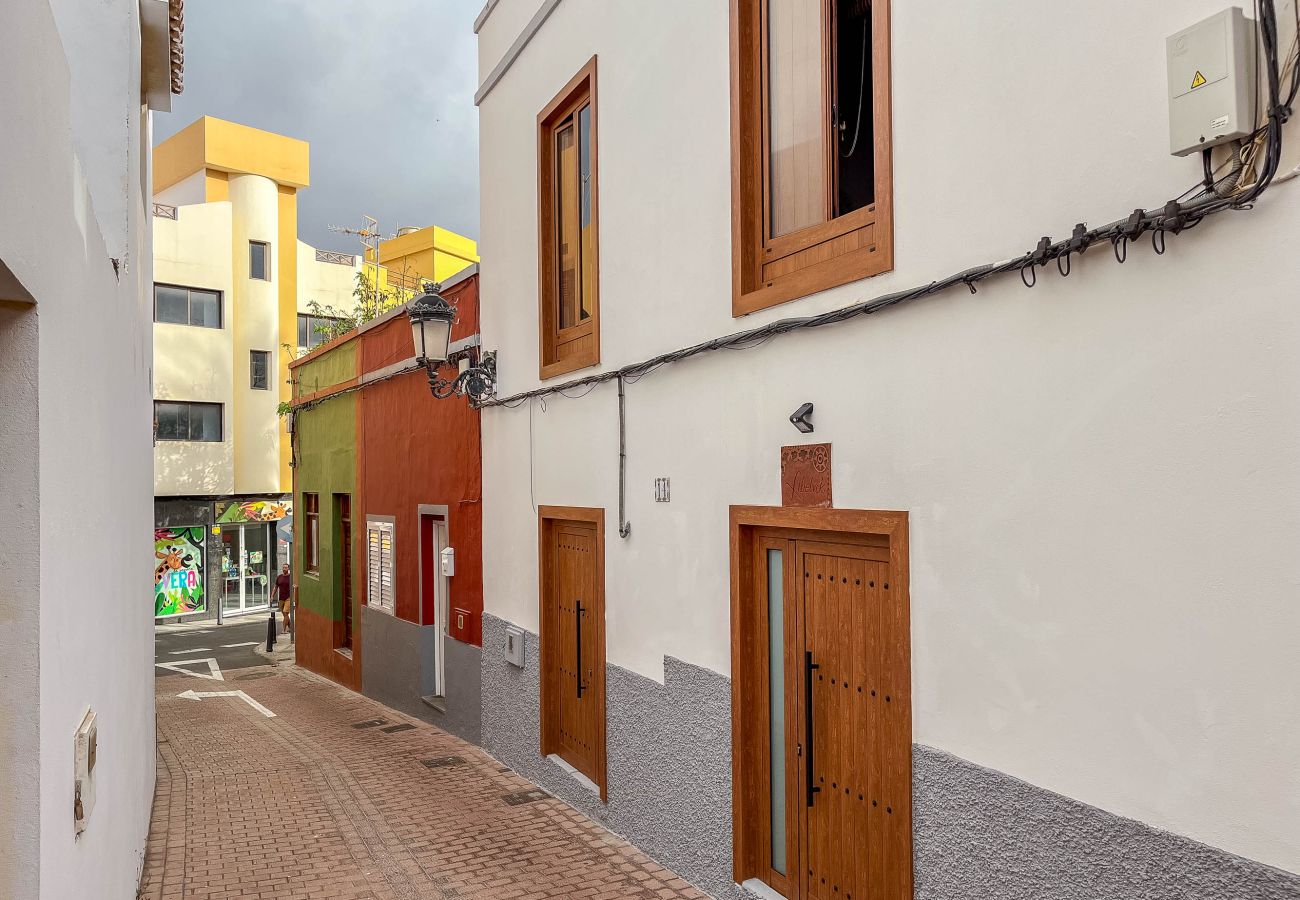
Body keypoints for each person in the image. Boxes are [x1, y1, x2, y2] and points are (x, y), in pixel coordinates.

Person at [274, 564, 292, 634]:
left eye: (286, 568)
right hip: (281, 598)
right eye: (283, 568)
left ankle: (284, 630)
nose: (284, 569)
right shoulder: (279, 577)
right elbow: (275, 587)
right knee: (285, 615)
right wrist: (272, 596)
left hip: (289, 597)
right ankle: (291, 628)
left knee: (285, 612)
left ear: (288, 569)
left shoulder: (291, 577)